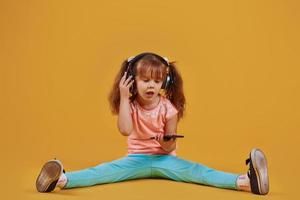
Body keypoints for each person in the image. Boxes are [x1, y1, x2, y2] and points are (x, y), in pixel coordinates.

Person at [35, 52, 269, 195]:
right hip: (135, 160)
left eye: (156, 82)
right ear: (131, 81)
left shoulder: (169, 108)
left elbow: (169, 145)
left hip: (166, 160)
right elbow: (125, 129)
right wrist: (125, 97)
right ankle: (61, 179)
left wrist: (164, 141)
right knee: (103, 171)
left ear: (164, 82)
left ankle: (247, 182)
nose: (150, 86)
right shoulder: (132, 104)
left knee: (199, 172)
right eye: (144, 80)